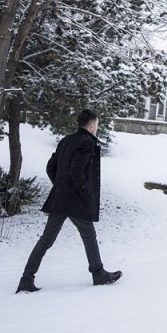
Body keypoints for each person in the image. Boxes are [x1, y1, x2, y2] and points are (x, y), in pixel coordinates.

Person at [16, 109, 122, 293]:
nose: (97, 127)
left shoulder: (66, 140)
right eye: (97, 124)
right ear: (91, 125)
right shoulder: (87, 142)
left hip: (60, 199)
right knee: (89, 236)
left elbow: (51, 167)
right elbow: (76, 170)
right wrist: (83, 190)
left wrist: (60, 186)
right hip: (76, 201)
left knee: (46, 240)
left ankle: (26, 279)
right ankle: (98, 274)